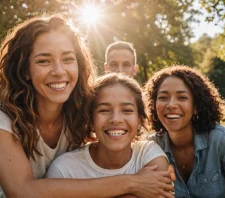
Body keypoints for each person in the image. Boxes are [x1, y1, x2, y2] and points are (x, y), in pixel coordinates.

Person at [0, 14, 175, 198]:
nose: (59, 71)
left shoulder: (80, 109)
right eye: (44, 61)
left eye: (67, 59)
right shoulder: (2, 116)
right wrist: (132, 182)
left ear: (79, 65)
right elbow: (23, 192)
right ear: (25, 70)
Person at [46, 73, 174, 198]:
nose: (116, 119)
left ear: (139, 119)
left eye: (127, 110)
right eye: (104, 110)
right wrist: (134, 185)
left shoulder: (148, 154)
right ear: (91, 120)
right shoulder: (64, 170)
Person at [145, 65, 225, 198]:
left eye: (182, 97)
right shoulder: (151, 146)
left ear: (196, 106)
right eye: (163, 97)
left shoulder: (220, 140)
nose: (171, 104)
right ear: (154, 105)